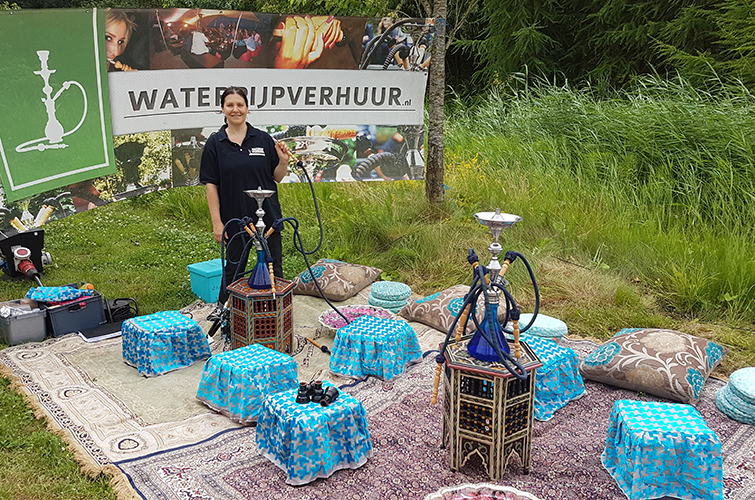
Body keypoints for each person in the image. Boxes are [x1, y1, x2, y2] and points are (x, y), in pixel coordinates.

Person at [200, 87, 293, 303]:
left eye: (240, 105)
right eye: (230, 105)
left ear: (247, 108)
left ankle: (273, 312)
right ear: (223, 109)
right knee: (234, 270)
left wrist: (283, 161)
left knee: (274, 269)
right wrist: (217, 222)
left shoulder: (263, 139)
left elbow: (277, 177)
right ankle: (226, 313)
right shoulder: (215, 144)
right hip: (235, 219)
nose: (235, 110)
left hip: (268, 218)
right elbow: (211, 185)